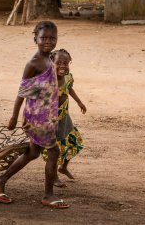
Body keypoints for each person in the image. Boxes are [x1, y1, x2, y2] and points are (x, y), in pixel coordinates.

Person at [0, 21, 70, 209]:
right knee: (54, 151)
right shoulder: (34, 63)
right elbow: (22, 92)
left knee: (32, 153)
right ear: (35, 39)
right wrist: (14, 116)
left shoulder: (50, 59)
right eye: (44, 38)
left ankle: (0, 181)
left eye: (52, 38)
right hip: (38, 117)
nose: (48, 41)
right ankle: (48, 195)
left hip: (45, 116)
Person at [42, 49, 86, 187]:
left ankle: (63, 167)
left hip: (65, 117)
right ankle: (54, 177)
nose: (62, 66)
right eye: (58, 63)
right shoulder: (49, 81)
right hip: (52, 120)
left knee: (72, 141)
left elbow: (70, 89)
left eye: (66, 63)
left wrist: (79, 101)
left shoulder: (68, 78)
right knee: (55, 150)